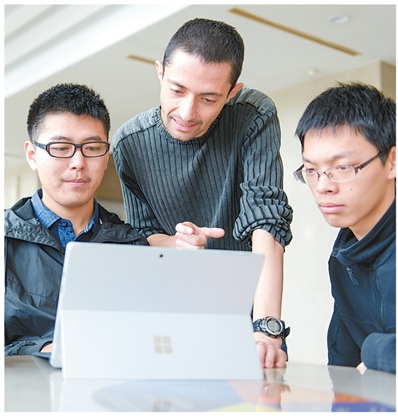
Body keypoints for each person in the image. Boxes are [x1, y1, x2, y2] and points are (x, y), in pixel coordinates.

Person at [112, 18, 293, 368]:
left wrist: (266, 329)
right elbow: (142, 235)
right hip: (174, 307)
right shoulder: (129, 143)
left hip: (249, 307)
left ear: (232, 93)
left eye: (209, 99)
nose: (187, 113)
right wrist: (176, 242)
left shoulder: (253, 115)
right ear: (160, 72)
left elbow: (266, 221)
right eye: (177, 90)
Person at [4, 83, 148, 356]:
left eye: (92, 147)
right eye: (60, 148)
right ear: (32, 155)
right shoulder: (6, 240)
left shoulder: (133, 246)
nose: (78, 162)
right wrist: (41, 350)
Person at [293, 82, 396, 373]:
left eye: (342, 168)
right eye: (311, 171)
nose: (323, 186)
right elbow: (342, 369)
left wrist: (374, 349)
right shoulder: (343, 259)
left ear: (392, 161)